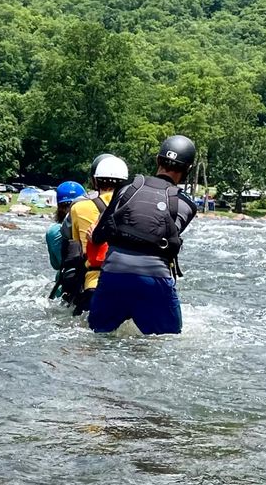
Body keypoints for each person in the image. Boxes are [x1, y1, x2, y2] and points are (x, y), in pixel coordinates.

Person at [88, 135, 198, 335]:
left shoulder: (125, 190)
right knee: (169, 340)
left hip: (113, 276)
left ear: (158, 160)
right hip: (154, 280)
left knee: (99, 335)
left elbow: (98, 237)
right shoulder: (187, 205)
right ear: (188, 170)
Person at [62, 154, 129, 315]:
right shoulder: (133, 207)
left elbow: (74, 246)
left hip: (94, 283)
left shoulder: (79, 208)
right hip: (129, 282)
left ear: (95, 181)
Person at [46, 180, 85, 302]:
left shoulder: (53, 231)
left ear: (59, 207)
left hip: (65, 284)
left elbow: (56, 264)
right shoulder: (92, 226)